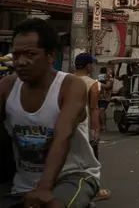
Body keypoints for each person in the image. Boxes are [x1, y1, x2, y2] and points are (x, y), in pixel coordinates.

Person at [0, 18, 100, 208]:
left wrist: (44, 188)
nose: (20, 62)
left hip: (72, 176)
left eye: (30, 54)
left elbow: (63, 136)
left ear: (51, 56)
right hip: (22, 183)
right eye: (16, 54)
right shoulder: (7, 86)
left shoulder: (70, 86)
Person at [73, 54, 110, 203]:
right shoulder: (92, 84)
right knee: (91, 159)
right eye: (92, 65)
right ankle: (94, 191)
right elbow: (94, 108)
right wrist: (96, 130)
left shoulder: (66, 80)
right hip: (84, 127)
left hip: (67, 126)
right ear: (88, 66)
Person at [97, 67, 114, 132]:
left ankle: (103, 125)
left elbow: (108, 86)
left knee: (102, 110)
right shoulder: (99, 77)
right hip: (98, 96)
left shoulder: (110, 79)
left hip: (105, 97)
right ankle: (100, 125)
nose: (110, 71)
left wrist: (99, 83)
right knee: (99, 111)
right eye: (109, 70)